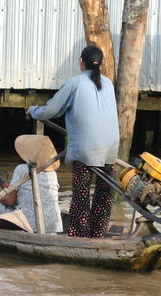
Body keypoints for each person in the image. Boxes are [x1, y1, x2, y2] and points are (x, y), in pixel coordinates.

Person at [27, 46, 119, 238]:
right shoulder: (109, 83)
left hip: (86, 150)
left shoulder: (74, 83)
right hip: (110, 149)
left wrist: (33, 110)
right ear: (100, 64)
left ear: (80, 62)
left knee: (81, 195)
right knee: (104, 195)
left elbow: (51, 111)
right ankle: (98, 234)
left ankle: (78, 235)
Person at [0, 134, 63, 234]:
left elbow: (10, 201)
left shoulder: (22, 169)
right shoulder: (52, 173)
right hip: (53, 224)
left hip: (29, 223)